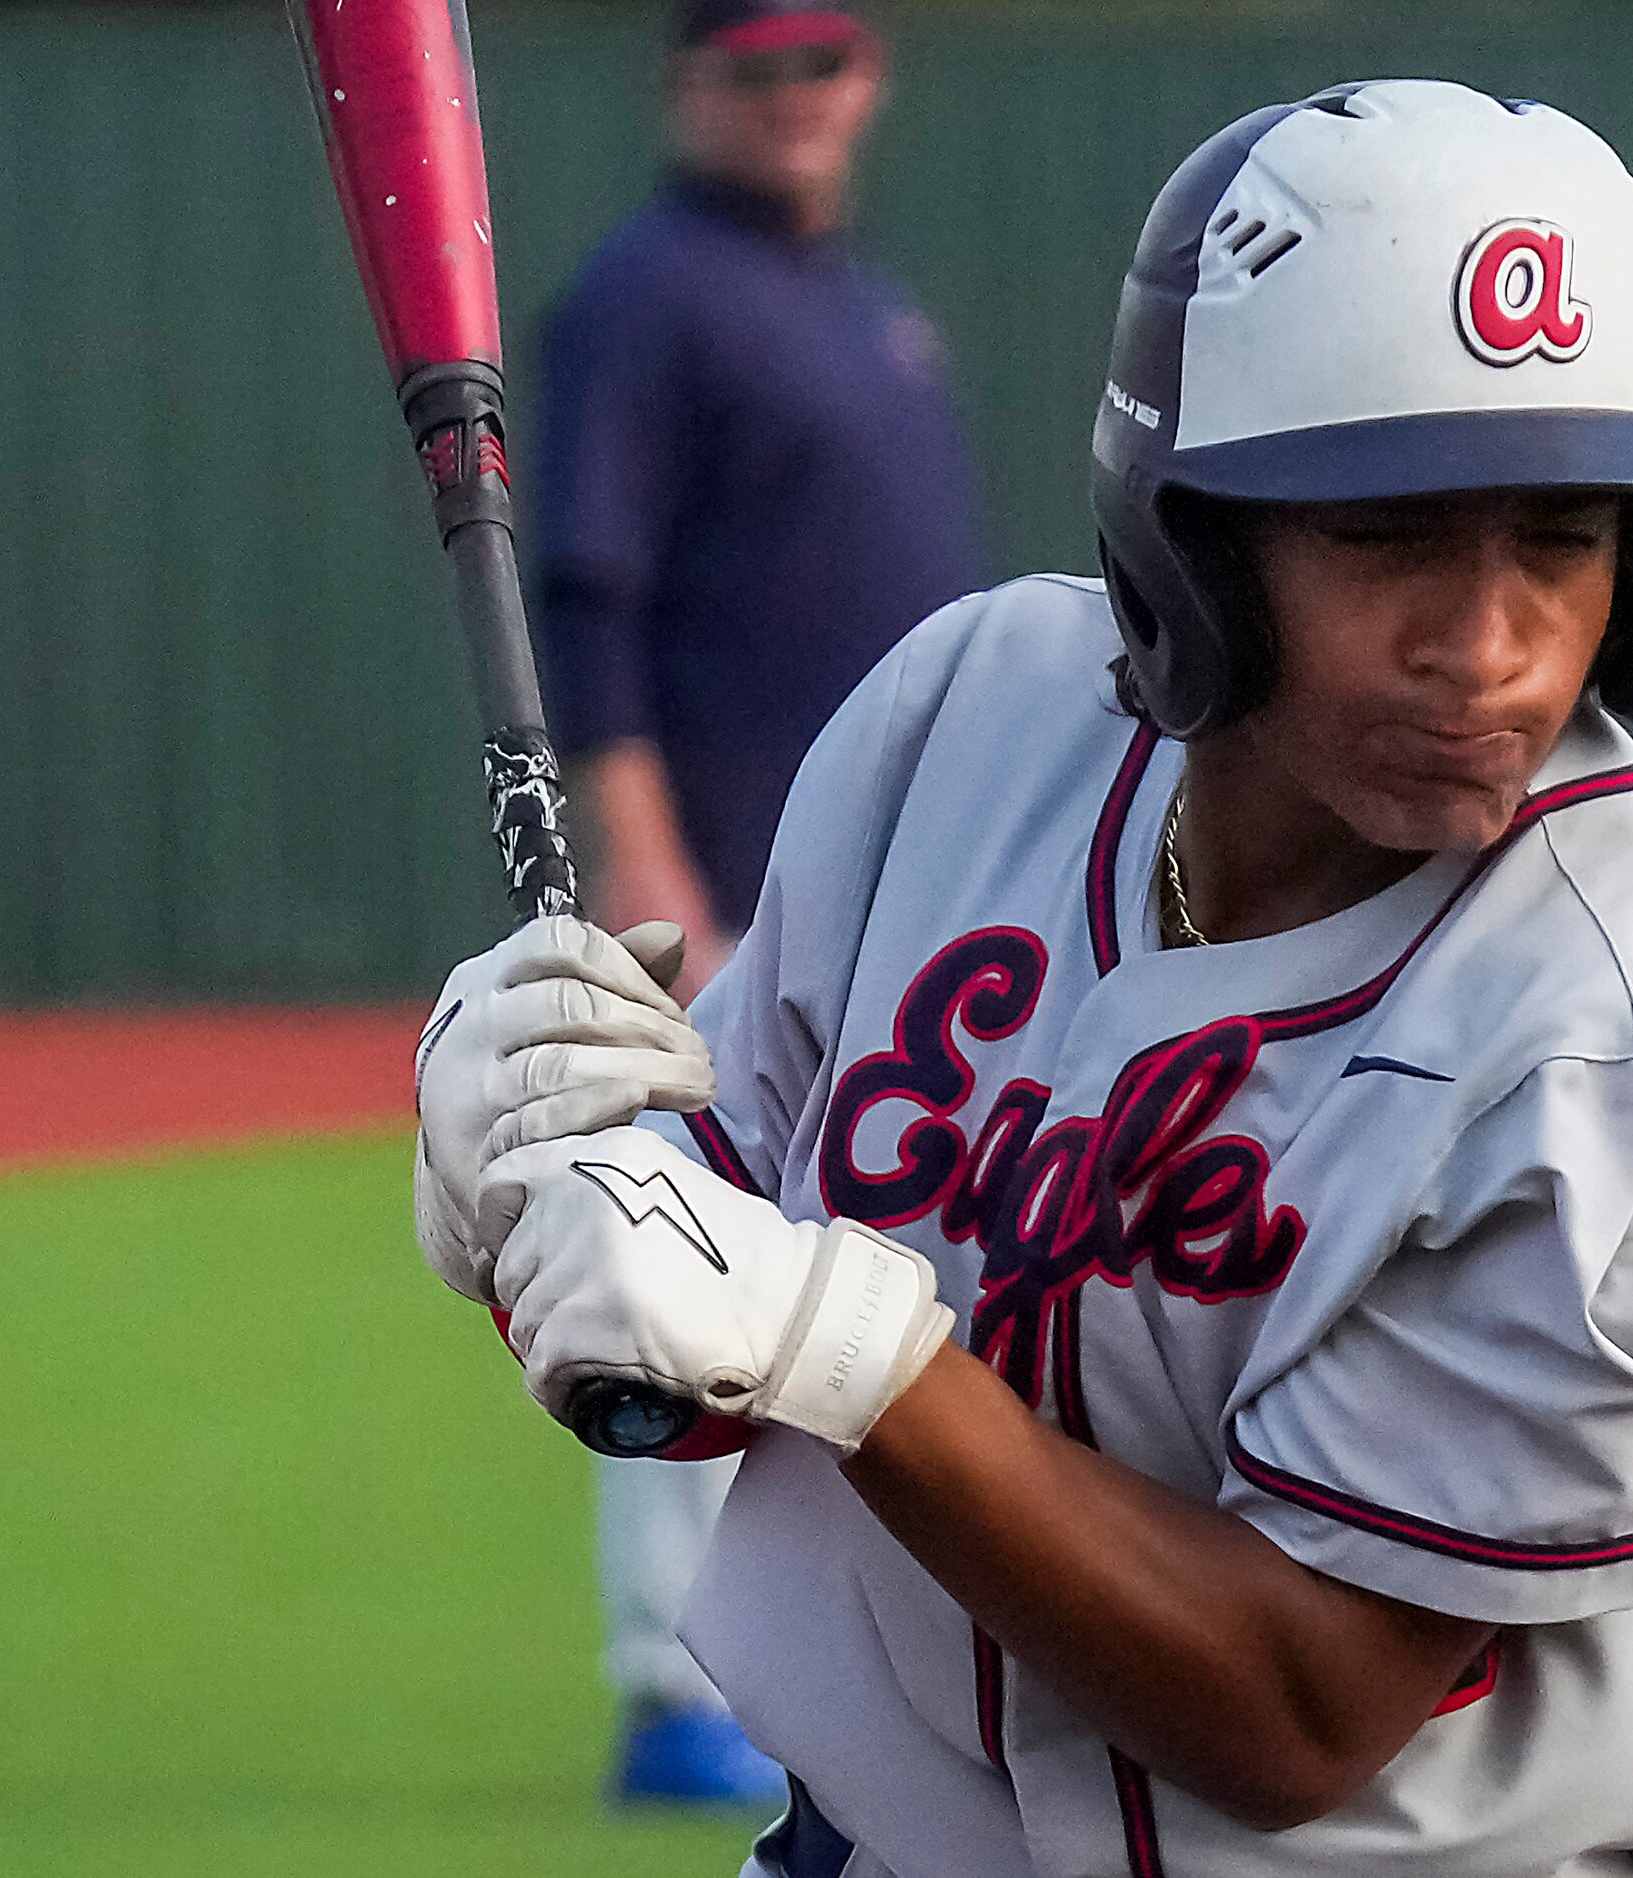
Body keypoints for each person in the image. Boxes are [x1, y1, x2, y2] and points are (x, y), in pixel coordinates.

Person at [419, 79, 1633, 1873]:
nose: (1485, 642)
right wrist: (546, 1195)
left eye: (1563, 537)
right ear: (1198, 540)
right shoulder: (961, 723)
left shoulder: (1616, 1017)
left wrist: (840, 1344)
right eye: (1383, 533)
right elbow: (691, 1348)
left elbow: (1293, 1707)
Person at [522, 0, 986, 1806]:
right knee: (672, 1260)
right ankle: (668, 1686)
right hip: (726, 886)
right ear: (684, 84)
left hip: (892, 891)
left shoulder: (857, 300)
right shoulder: (648, 296)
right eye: (758, 67)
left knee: (868, 1267)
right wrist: (642, 859)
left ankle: (836, 1662)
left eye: (828, 61)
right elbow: (590, 595)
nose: (799, 98)